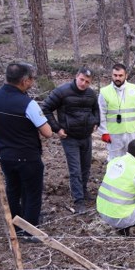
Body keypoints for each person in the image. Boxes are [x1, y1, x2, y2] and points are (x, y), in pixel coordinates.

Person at [0, 62, 53, 239]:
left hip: (5, 154)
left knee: (13, 189)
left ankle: (15, 224)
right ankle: (30, 230)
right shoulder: (28, 104)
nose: (32, 82)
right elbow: (47, 132)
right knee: (32, 192)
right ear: (23, 81)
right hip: (28, 156)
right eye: (31, 79)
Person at [41, 67, 99, 214]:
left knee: (86, 166)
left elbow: (96, 109)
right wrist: (57, 129)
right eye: (82, 79)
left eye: (87, 81)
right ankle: (78, 200)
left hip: (86, 136)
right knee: (75, 170)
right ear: (76, 76)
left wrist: (96, 122)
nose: (84, 83)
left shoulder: (91, 94)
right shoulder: (61, 91)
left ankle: (84, 191)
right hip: (69, 137)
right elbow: (46, 108)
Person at [98, 63, 135, 161]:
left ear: (126, 76)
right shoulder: (104, 92)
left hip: (132, 132)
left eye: (120, 75)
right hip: (114, 134)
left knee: (132, 159)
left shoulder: (133, 89)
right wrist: (104, 132)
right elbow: (101, 114)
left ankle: (131, 176)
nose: (117, 78)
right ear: (112, 75)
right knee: (115, 160)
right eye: (115, 75)